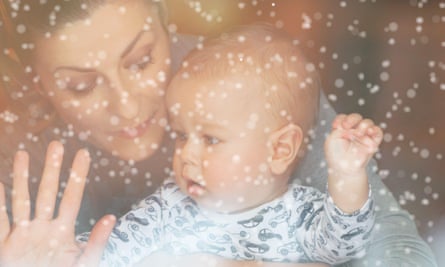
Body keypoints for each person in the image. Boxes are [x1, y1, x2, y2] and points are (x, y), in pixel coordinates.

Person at [0, 0, 438, 266]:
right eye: (81, 85)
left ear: (165, 19)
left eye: (140, 61)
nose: (127, 106)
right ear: (32, 78)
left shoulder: (247, 80)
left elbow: (386, 238)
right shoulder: (15, 151)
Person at [81, 23, 380, 266]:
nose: (187, 155)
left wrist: (347, 176)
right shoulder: (167, 210)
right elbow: (106, 253)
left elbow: (344, 246)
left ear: (279, 150)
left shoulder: (299, 215)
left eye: (211, 139)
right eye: (182, 135)